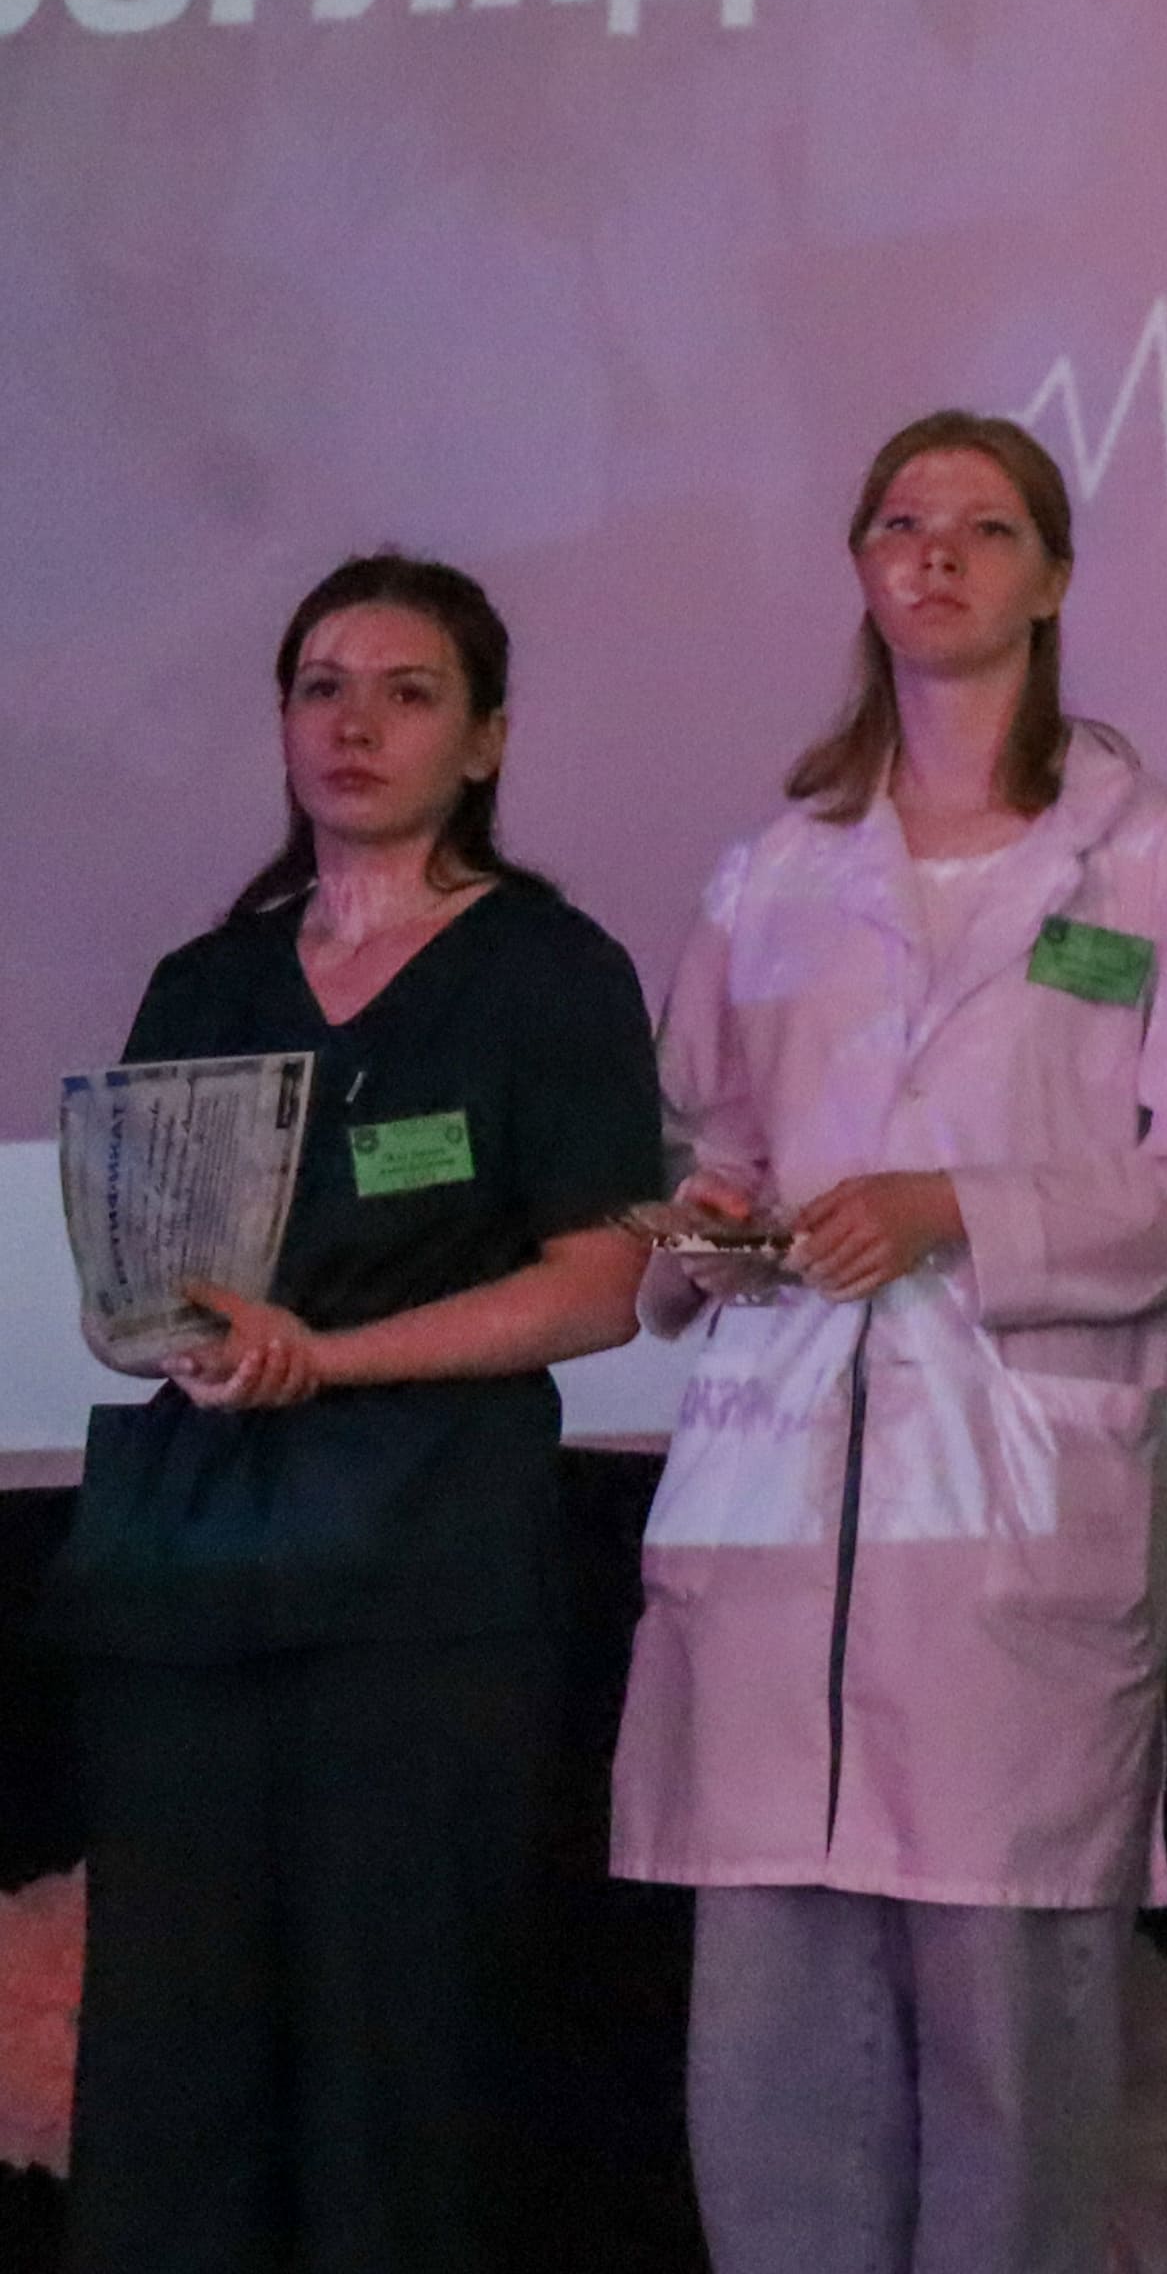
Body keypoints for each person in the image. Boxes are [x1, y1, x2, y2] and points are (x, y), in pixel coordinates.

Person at [614, 411, 1167, 2274]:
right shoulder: (773, 870)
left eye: (986, 528)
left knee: (1011, 2051)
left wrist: (960, 1211)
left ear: (1053, 578)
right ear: (860, 565)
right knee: (769, 2047)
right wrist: (710, 1220)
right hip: (778, 1510)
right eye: (902, 522)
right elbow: (707, 1140)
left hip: (1007, 1515)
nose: (937, 555)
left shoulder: (1146, 860)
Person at [41, 554, 662, 2274]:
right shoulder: (208, 980)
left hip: (423, 1587)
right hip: (195, 1583)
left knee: (396, 2059)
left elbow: (600, 1283)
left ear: (485, 739)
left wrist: (332, 1356)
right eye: (322, 688)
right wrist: (176, 1332)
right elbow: (135, 1284)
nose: (355, 725)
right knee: (176, 2059)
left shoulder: (547, 970)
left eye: (407, 692)